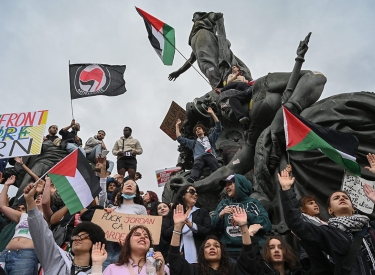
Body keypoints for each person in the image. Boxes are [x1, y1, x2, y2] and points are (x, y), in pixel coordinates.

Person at [278, 165, 375, 274]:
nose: (342, 198)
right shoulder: (328, 233)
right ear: (330, 210)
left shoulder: (371, 229)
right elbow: (296, 224)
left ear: (353, 209)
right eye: (336, 198)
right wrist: (287, 190)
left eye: (345, 197)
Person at [23, 181, 107, 275]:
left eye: (84, 236)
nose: (77, 239)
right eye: (75, 236)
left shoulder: (99, 270)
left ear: (95, 243)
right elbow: (41, 233)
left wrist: (97, 265)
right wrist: (30, 201)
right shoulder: (56, 261)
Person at [168, 203, 261, 275]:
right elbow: (174, 259)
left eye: (216, 246)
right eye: (207, 246)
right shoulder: (194, 271)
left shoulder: (233, 270)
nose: (212, 248)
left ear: (222, 251)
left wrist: (243, 226)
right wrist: (177, 227)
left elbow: (248, 257)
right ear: (202, 252)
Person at [168, 12, 252, 88]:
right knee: (213, 77)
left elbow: (215, 16)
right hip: (205, 63)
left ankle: (227, 90)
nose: (192, 19)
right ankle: (221, 94)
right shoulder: (195, 39)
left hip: (216, 59)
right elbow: (190, 60)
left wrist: (215, 16)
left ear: (201, 15)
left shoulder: (205, 23)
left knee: (225, 74)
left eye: (194, 16)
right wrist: (178, 72)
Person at [211, 174, 271, 258]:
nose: (226, 187)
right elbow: (213, 227)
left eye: (230, 184)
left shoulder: (253, 203)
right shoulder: (224, 204)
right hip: (229, 251)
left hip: (252, 249)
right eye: (226, 185)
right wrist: (220, 215)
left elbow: (267, 224)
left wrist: (247, 216)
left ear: (240, 184)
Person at [0, 176, 43, 275]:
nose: (39, 198)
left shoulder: (46, 216)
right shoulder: (23, 215)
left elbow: (45, 202)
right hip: (5, 253)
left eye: (41, 197)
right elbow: (2, 206)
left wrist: (40, 191)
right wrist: (6, 185)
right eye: (37, 197)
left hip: (25, 255)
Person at [102, 179, 147, 268]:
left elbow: (144, 229)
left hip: (126, 248)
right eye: (126, 184)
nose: (129, 185)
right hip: (108, 248)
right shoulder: (113, 208)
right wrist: (106, 214)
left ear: (136, 191)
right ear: (121, 189)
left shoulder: (141, 209)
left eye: (133, 184)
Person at [162, 185, 211, 264]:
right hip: (179, 257)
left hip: (199, 258)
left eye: (196, 193)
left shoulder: (202, 212)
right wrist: (178, 226)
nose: (195, 194)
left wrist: (192, 225)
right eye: (192, 191)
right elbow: (165, 233)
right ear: (183, 195)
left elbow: (208, 231)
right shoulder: (173, 213)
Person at [176, 107, 222, 183]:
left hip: (209, 155)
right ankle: (192, 179)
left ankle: (220, 179)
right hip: (199, 158)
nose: (197, 130)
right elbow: (180, 139)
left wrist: (212, 113)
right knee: (196, 166)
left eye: (199, 128)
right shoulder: (193, 143)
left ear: (203, 131)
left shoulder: (210, 139)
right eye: (196, 130)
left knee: (214, 164)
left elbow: (218, 128)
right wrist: (177, 126)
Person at [103, 225, 169, 275]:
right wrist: (96, 264)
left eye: (146, 236)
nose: (143, 237)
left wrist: (161, 273)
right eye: (137, 235)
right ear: (128, 242)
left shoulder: (162, 268)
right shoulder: (112, 269)